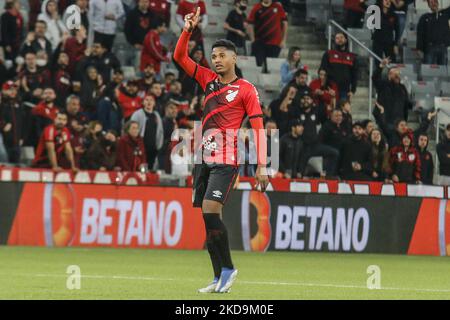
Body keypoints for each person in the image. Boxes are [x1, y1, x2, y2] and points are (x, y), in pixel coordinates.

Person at [173, 8, 268, 294]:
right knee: (206, 216)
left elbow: (258, 127)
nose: (216, 60)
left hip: (226, 160)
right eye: (213, 56)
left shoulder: (246, 90)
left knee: (212, 211)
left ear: (234, 58)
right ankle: (218, 277)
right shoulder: (207, 80)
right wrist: (187, 29)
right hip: (204, 158)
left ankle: (228, 269)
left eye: (221, 56)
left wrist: (262, 165)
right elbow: (179, 58)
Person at [296, 93, 338, 177]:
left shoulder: (316, 112)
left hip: (315, 145)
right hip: (303, 147)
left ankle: (328, 176)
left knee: (334, 153)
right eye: (304, 98)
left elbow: (330, 109)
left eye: (308, 98)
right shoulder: (297, 112)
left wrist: (333, 97)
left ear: (312, 101)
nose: (306, 100)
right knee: (299, 173)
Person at [247, 0, 288, 70]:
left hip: (274, 43)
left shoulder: (278, 7)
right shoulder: (256, 7)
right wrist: (252, 39)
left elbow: (285, 24)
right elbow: (250, 24)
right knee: (258, 65)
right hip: (259, 42)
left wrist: (283, 40)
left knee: (271, 68)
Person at [320, 32, 358, 102]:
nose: (339, 39)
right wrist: (325, 88)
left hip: (345, 91)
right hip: (330, 89)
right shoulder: (328, 54)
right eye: (337, 38)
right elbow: (322, 70)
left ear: (346, 40)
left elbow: (354, 75)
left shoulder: (352, 57)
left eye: (341, 37)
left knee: (343, 112)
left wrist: (353, 90)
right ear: (334, 40)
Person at [373, 58, 412, 125]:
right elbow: (375, 78)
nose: (397, 76)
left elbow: (406, 104)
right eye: (395, 74)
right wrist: (381, 67)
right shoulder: (383, 86)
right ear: (389, 75)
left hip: (400, 122)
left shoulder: (402, 88)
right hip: (386, 121)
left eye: (398, 74)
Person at [130, 95, 164, 170]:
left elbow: (160, 132)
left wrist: (159, 146)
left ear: (154, 103)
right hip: (141, 147)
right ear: (143, 102)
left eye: (151, 100)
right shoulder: (137, 114)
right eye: (146, 100)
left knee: (151, 168)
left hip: (153, 148)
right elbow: (131, 129)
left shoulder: (157, 115)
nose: (149, 102)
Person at [416, 0, 450, 65]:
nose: (433, 4)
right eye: (431, 3)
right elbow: (420, 34)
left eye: (434, 1)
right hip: (429, 47)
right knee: (428, 71)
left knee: (443, 72)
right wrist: (419, 48)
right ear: (428, 5)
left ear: (437, 3)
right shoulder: (424, 17)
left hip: (443, 47)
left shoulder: (445, 13)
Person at [0, 80, 25, 163]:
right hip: (3, 140)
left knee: (15, 167)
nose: (13, 92)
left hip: (16, 141)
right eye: (10, 89)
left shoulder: (18, 104)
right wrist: (3, 125)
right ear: (3, 91)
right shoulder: (2, 103)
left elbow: (22, 122)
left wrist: (22, 137)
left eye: (14, 89)